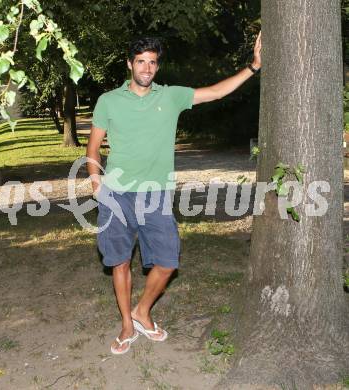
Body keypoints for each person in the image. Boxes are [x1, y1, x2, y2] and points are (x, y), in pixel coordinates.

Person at [87, 33, 262, 354]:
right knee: (120, 262)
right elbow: (93, 146)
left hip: (154, 195)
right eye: (141, 61)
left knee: (168, 260)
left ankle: (142, 311)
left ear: (157, 66)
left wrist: (253, 67)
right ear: (130, 64)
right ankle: (128, 325)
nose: (147, 67)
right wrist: (95, 181)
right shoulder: (108, 101)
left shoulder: (170, 97)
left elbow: (215, 92)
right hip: (117, 195)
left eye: (152, 62)